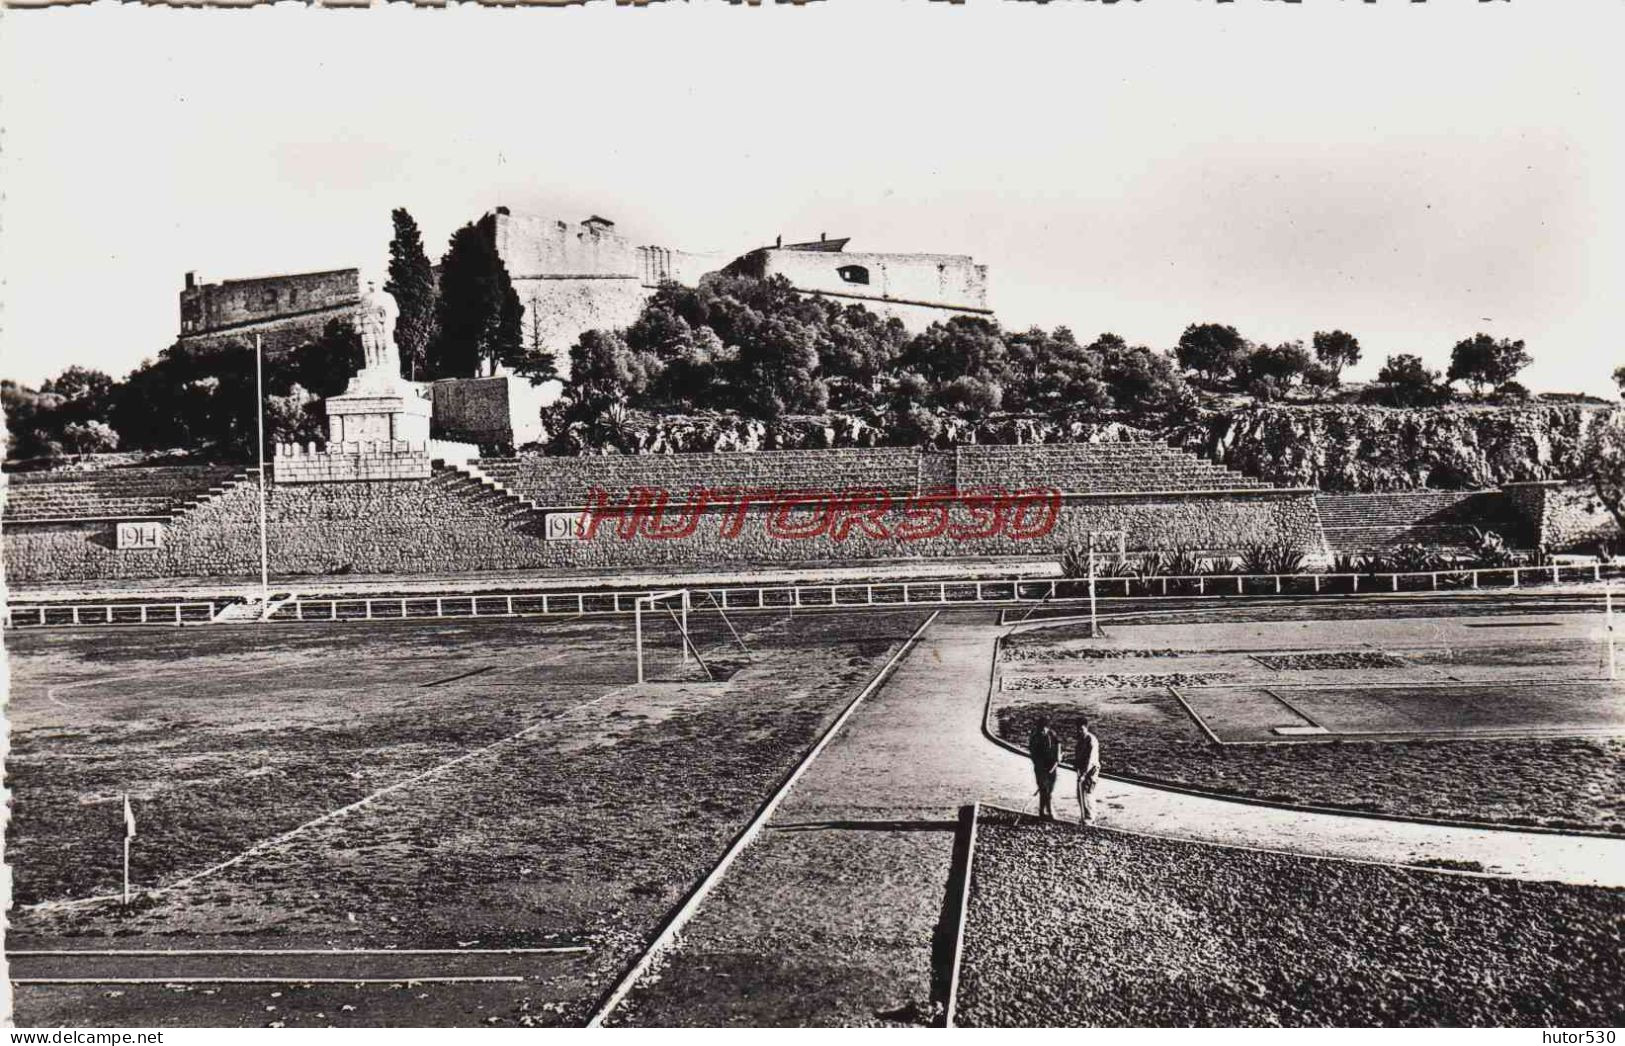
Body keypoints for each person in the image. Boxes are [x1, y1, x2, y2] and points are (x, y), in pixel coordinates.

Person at [1027, 716, 1062, 821]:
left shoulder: (1052, 734)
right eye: (1041, 729)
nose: (1043, 731)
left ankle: (1042, 811)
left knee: (1049, 790)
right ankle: (1049, 812)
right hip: (1040, 768)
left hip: (1052, 767)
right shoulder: (1035, 738)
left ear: (1047, 728)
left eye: (1044, 728)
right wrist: (1041, 769)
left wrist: (1058, 756)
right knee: (1044, 789)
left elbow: (1058, 744)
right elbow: (1034, 755)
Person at [1075, 719, 1102, 824]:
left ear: (1086, 728)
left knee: (1087, 793)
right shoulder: (1081, 740)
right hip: (1082, 770)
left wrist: (1084, 774)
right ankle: (1085, 816)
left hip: (1091, 770)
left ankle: (1090, 818)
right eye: (1078, 729)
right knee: (1080, 793)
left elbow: (1090, 760)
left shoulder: (1091, 740)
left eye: (1081, 729)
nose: (1079, 731)